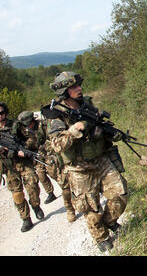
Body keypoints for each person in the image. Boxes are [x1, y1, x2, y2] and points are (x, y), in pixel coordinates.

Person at [47, 71, 128, 252]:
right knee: (89, 207)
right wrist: (74, 130)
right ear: (64, 91)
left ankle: (109, 221)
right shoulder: (57, 115)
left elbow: (100, 125)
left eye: (79, 85)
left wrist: (111, 133)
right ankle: (101, 237)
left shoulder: (87, 105)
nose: (79, 88)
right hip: (78, 168)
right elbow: (56, 145)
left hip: (101, 160)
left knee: (120, 193)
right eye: (74, 87)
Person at [16, 110, 77, 222]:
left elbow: (52, 140)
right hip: (38, 158)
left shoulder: (44, 125)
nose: (27, 126)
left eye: (28, 123)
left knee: (60, 180)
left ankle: (74, 197)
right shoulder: (23, 130)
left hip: (50, 156)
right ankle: (69, 208)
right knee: (43, 177)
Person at [0, 102, 45, 232]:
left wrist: (24, 148)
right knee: (17, 194)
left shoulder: (15, 125)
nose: (0, 116)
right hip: (9, 167)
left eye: (1, 113)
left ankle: (35, 205)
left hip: (24, 163)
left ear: (5, 113)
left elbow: (31, 137)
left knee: (33, 186)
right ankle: (26, 219)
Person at [15, 111, 57, 205]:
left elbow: (49, 138)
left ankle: (65, 187)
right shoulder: (24, 130)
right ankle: (50, 193)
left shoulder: (42, 126)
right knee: (41, 174)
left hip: (47, 152)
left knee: (53, 172)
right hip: (36, 154)